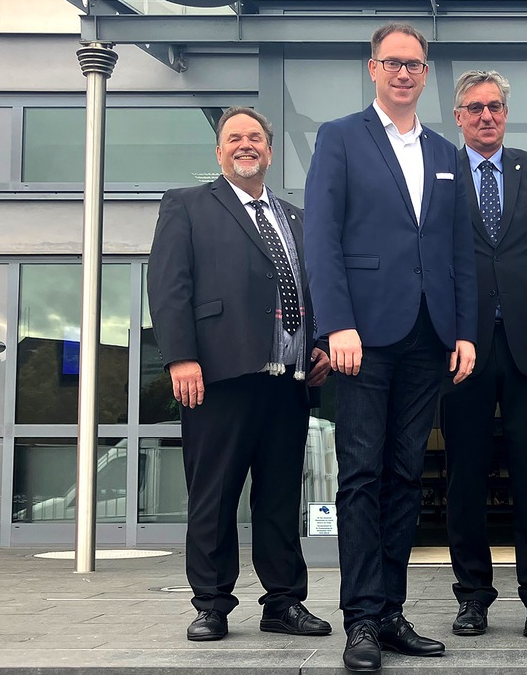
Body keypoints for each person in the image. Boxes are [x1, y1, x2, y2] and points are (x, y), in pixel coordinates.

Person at [302, 22, 477, 674]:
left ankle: (393, 610)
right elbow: (322, 238)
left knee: (406, 475)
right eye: (393, 62)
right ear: (372, 68)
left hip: (428, 337)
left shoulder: (445, 151)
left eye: (414, 64)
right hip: (364, 339)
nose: (404, 73)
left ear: (425, 74)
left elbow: (458, 250)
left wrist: (464, 331)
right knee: (362, 476)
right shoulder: (341, 138)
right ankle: (361, 619)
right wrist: (336, 324)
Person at [147, 106, 332, 643]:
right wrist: (181, 356)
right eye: (234, 138)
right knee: (215, 496)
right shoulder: (187, 205)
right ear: (219, 151)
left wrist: (317, 344)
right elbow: (169, 285)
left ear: (269, 151)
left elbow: (311, 286)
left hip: (288, 380)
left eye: (255, 138)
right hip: (218, 376)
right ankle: (210, 604)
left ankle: (283, 603)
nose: (245, 145)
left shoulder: (294, 216)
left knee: (278, 499)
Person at [439, 69, 527, 640]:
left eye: (494, 107)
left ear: (504, 114)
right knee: (463, 477)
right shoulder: (438, 172)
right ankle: (472, 597)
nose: (485, 116)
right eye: (474, 108)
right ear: (458, 116)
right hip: (461, 349)